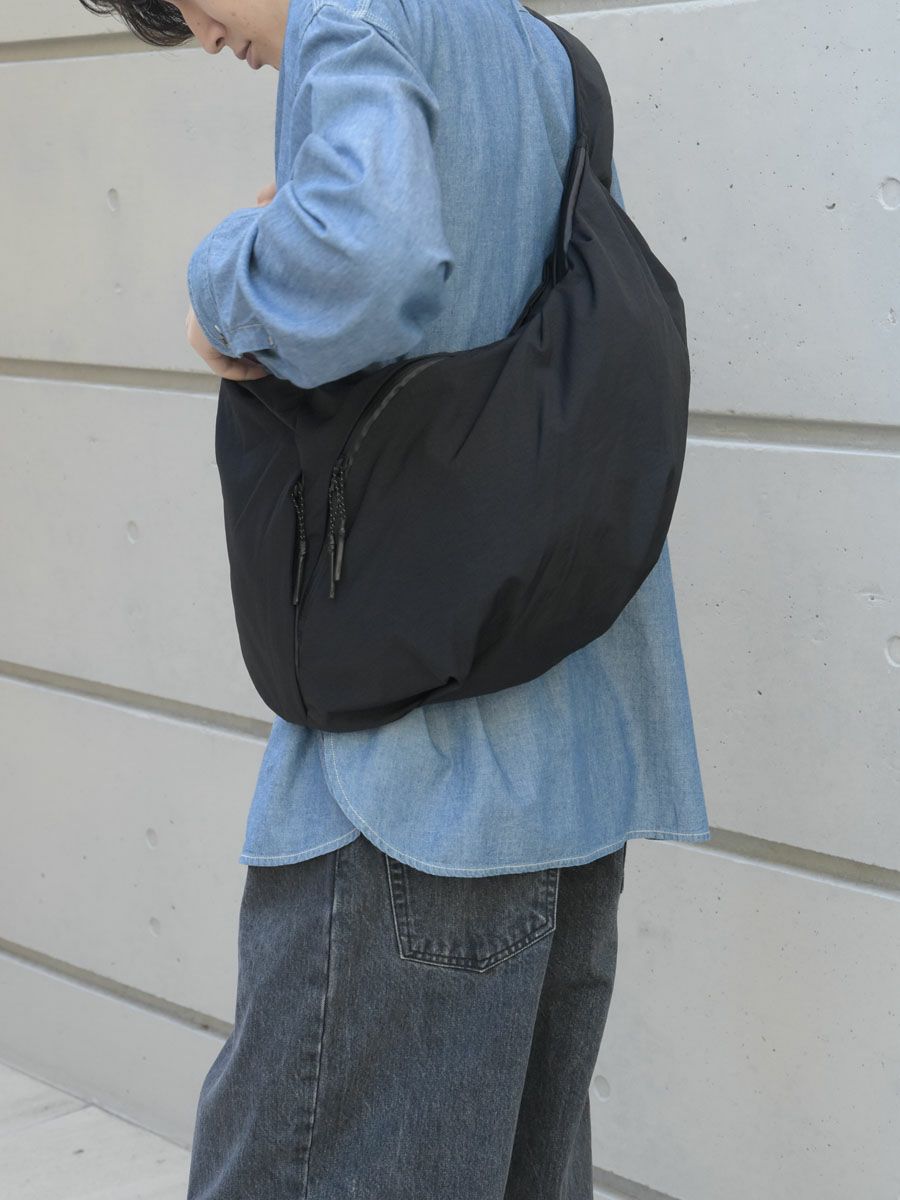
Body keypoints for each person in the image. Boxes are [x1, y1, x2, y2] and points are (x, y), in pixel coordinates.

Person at [78, 1, 711, 1195]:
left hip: (413, 787)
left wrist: (222, 280)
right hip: (566, 771)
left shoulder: (355, 14)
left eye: (181, 0)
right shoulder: (535, 49)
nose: (197, 33)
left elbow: (367, 260)